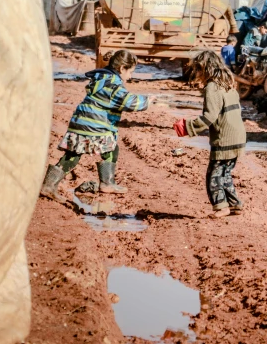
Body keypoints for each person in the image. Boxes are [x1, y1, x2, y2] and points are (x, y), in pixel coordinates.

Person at [40, 50, 152, 201]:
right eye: (130, 72)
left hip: (81, 121)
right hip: (94, 125)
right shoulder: (113, 85)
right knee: (111, 148)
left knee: (74, 153)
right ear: (122, 68)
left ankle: (49, 185)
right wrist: (146, 101)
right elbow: (128, 102)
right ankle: (107, 183)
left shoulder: (102, 78)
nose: (130, 76)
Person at [173, 50, 246, 218]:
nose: (196, 73)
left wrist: (188, 126)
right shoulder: (227, 82)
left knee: (213, 175)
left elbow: (210, 117)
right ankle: (234, 204)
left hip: (225, 137)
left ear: (205, 69)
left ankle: (221, 207)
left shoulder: (212, 87)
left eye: (198, 69)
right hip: (238, 135)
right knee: (225, 172)